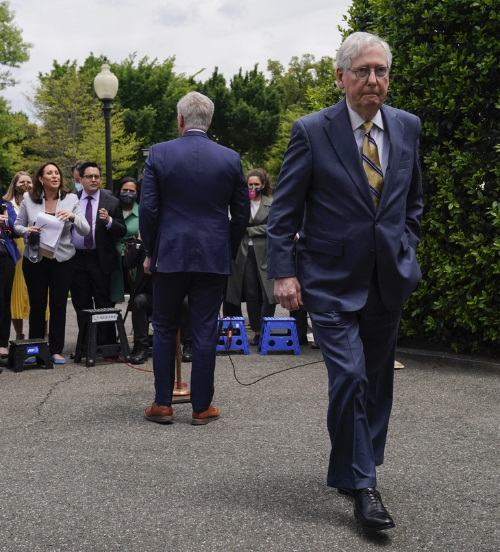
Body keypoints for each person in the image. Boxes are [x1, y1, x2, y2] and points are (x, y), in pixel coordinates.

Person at [267, 32, 423, 531]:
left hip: (387, 279)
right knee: (350, 377)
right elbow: (285, 210)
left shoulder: (407, 127)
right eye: (362, 72)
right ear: (340, 78)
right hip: (329, 280)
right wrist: (285, 272)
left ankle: (354, 468)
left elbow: (412, 200)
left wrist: (407, 246)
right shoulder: (312, 131)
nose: (373, 81)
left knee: (377, 383)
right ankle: (364, 486)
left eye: (380, 71)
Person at [139, 91, 249, 425]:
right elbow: (241, 213)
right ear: (209, 120)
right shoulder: (230, 158)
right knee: (204, 330)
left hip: (170, 254)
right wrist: (225, 249)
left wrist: (150, 252)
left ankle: (163, 404)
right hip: (212, 255)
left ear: (181, 120)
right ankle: (201, 407)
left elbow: (148, 208)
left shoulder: (159, 154)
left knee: (163, 328)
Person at [13, 161, 90, 364]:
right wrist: (28, 231)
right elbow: (17, 227)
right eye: (50, 173)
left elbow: (85, 229)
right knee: (37, 304)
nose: (55, 176)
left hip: (63, 260)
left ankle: (56, 350)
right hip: (35, 258)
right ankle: (35, 349)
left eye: (57, 173)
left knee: (58, 306)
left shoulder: (71, 198)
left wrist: (73, 216)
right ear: (41, 178)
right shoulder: (29, 199)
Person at [70, 162, 127, 346]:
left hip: (100, 259)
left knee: (103, 302)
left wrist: (109, 220)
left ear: (101, 179)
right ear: (81, 179)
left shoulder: (112, 201)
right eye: (89, 177)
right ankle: (86, 344)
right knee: (82, 304)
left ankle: (106, 343)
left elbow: (122, 230)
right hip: (76, 258)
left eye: (97, 177)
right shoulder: (72, 200)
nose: (93, 180)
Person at [225, 168, 276, 345]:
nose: (253, 187)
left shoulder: (271, 204)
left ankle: (266, 327)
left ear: (263, 185)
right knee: (251, 292)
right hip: (244, 252)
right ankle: (256, 330)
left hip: (265, 253)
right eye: (250, 184)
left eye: (256, 184)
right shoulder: (239, 203)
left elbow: (273, 227)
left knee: (268, 293)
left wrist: (249, 230)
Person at [122, 236, 193, 365]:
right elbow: (127, 263)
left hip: (173, 295)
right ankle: (140, 348)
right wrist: (139, 240)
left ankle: (189, 345)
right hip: (151, 296)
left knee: (186, 302)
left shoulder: (175, 242)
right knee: (139, 302)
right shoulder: (144, 245)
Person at [2, 172, 48, 342]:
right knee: (16, 294)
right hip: (16, 251)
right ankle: (19, 334)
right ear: (14, 184)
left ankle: (44, 334)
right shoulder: (7, 205)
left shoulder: (39, 203)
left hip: (38, 249)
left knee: (41, 294)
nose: (26, 185)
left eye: (29, 182)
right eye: (22, 182)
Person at [110, 176, 140, 303]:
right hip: (113, 258)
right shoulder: (111, 208)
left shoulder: (142, 211)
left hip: (134, 260)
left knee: (137, 299)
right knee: (110, 297)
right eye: (125, 190)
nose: (128, 193)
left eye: (132, 191)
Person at [0, 192, 22, 366]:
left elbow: (17, 231)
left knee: (5, 300)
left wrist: (6, 221)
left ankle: (2, 343)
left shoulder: (6, 206)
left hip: (6, 256)